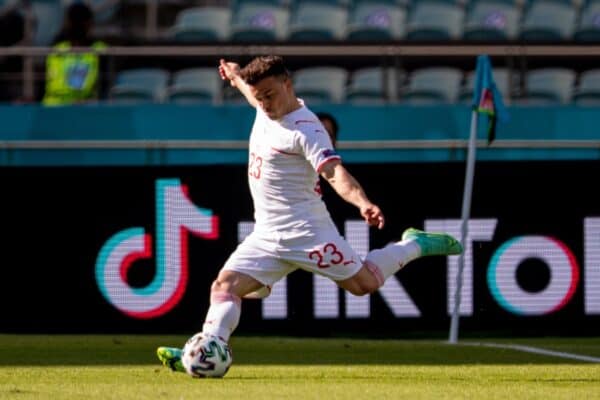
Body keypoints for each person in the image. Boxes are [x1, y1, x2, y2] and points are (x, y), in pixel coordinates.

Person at [157, 55, 463, 374]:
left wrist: (362, 202)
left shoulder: (306, 129)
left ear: (287, 85)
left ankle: (414, 244)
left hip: (308, 232)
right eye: (259, 97)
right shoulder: (264, 103)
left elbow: (334, 174)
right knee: (223, 287)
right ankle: (205, 352)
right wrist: (235, 75)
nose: (263, 103)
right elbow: (249, 91)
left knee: (364, 285)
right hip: (266, 235)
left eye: (270, 95)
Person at [42, 2, 107, 106]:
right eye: (73, 22)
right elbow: (43, 82)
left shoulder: (99, 49)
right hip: (53, 108)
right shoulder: (57, 48)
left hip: (84, 109)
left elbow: (105, 85)